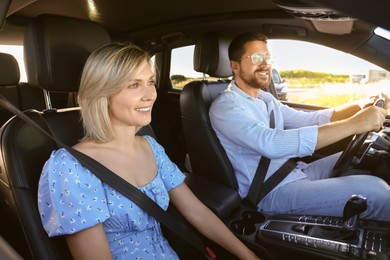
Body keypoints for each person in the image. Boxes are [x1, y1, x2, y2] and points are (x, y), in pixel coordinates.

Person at [37, 42, 259, 260]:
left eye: (150, 82)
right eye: (134, 85)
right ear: (102, 93)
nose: (150, 94)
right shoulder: (71, 166)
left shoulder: (150, 146)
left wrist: (248, 255)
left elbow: (196, 211)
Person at [209, 31, 390, 222]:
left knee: (365, 156)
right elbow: (270, 143)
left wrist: (359, 106)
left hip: (294, 172)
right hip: (270, 191)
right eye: (256, 57)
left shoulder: (265, 98)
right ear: (235, 66)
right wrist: (354, 124)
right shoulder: (226, 107)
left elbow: (307, 120)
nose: (265, 64)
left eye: (268, 57)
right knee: (377, 192)